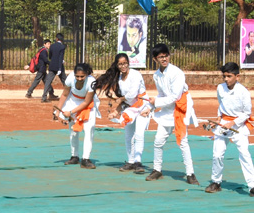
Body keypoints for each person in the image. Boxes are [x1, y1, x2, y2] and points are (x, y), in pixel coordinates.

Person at [142, 44, 199, 185]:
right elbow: (161, 94)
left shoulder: (177, 73)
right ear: (155, 59)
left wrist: (156, 102)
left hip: (180, 107)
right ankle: (157, 169)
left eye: (166, 55)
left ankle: (190, 174)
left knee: (183, 141)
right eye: (161, 57)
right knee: (158, 141)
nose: (164, 58)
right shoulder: (156, 75)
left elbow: (175, 96)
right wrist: (150, 107)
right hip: (167, 109)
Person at [93, 53, 150, 173]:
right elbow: (124, 100)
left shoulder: (135, 74)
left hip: (142, 106)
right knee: (128, 135)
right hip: (129, 108)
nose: (123, 66)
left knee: (139, 134)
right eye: (120, 64)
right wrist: (115, 111)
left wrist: (121, 99)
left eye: (125, 63)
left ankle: (138, 162)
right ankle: (130, 161)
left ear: (128, 63)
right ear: (117, 65)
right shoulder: (119, 79)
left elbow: (132, 94)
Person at [205, 62, 254, 195]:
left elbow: (246, 113)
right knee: (217, 154)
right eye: (224, 76)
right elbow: (221, 105)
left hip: (239, 126)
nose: (226, 79)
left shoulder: (243, 92)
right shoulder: (220, 88)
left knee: (244, 154)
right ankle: (216, 182)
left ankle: (252, 186)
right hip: (223, 125)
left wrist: (232, 123)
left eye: (229, 76)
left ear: (237, 76)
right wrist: (219, 119)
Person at [54, 62, 100, 169]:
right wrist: (58, 112)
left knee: (89, 130)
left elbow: (86, 103)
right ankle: (74, 156)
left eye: (82, 76)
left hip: (88, 104)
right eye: (77, 76)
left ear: (87, 74)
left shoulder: (92, 82)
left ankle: (86, 159)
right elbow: (65, 94)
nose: (79, 78)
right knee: (73, 130)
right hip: (73, 101)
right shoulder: (70, 78)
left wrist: (70, 112)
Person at [42, 33, 67, 103]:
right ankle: (70, 96)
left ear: (56, 39)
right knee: (66, 82)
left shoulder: (52, 46)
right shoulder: (62, 47)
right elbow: (60, 58)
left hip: (52, 66)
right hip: (59, 67)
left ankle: (44, 97)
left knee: (48, 82)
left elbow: (50, 56)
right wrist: (59, 68)